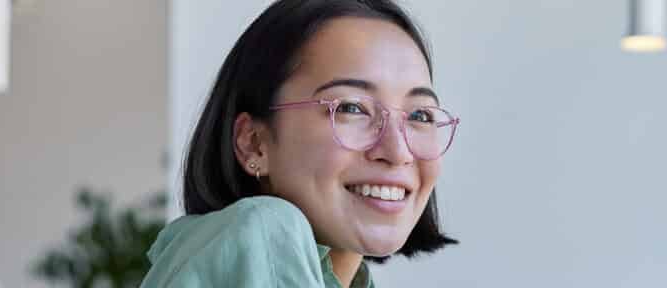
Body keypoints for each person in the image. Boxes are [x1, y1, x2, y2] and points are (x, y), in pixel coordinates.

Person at [141, 0, 459, 287]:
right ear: (253, 143)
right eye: (351, 108)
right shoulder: (266, 227)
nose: (398, 151)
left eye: (420, 115)